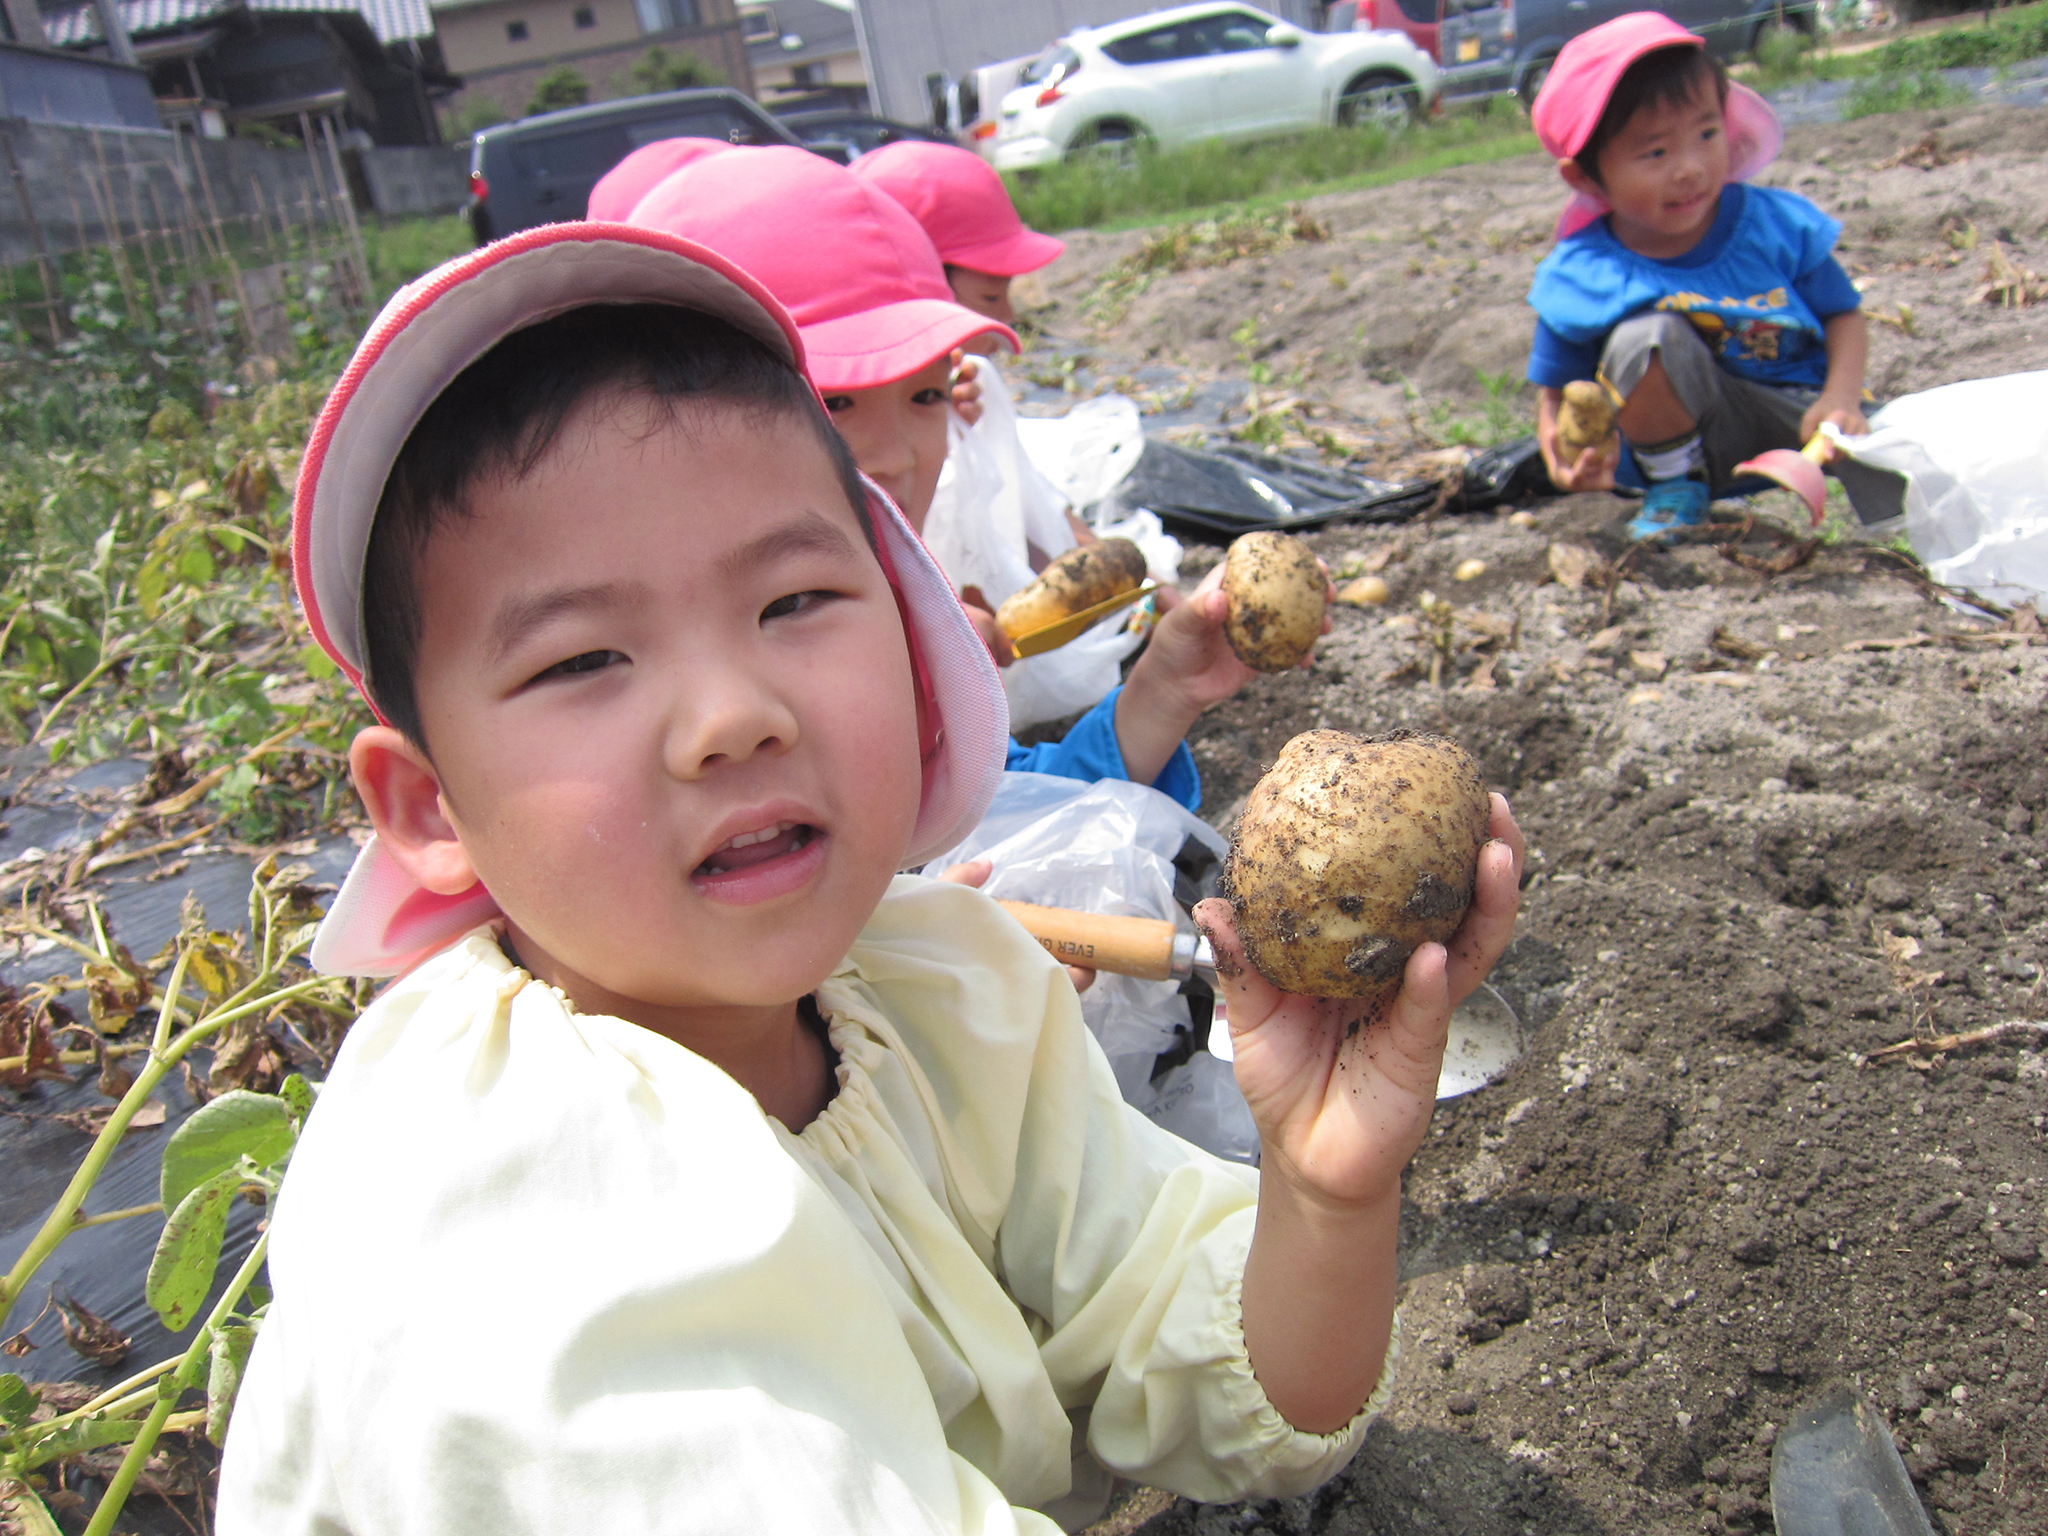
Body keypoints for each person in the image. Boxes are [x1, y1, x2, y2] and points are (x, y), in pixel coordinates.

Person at [213, 221, 1528, 1533]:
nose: (733, 715)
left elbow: (1238, 1372)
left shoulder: (940, 985)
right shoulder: (517, 1241)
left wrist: (1323, 1194)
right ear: (429, 808)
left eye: (791, 603)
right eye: (582, 661)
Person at [626, 145, 1301, 813]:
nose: (896, 456)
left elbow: (1006, 803)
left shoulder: (910, 623)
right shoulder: (614, 717)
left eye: (926, 397)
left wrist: (1167, 688)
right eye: (836, 401)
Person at [1526, 12, 1902, 540]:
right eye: (1655, 152)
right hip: (1675, 442)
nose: (1690, 168)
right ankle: (1676, 489)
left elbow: (1843, 313)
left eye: (1707, 133)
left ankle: (1903, 526)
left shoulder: (1770, 225)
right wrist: (1562, 454)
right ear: (1587, 177)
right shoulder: (1586, 272)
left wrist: (1839, 397)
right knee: (1645, 339)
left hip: (1798, 415)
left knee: (1905, 446)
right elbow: (1556, 393)